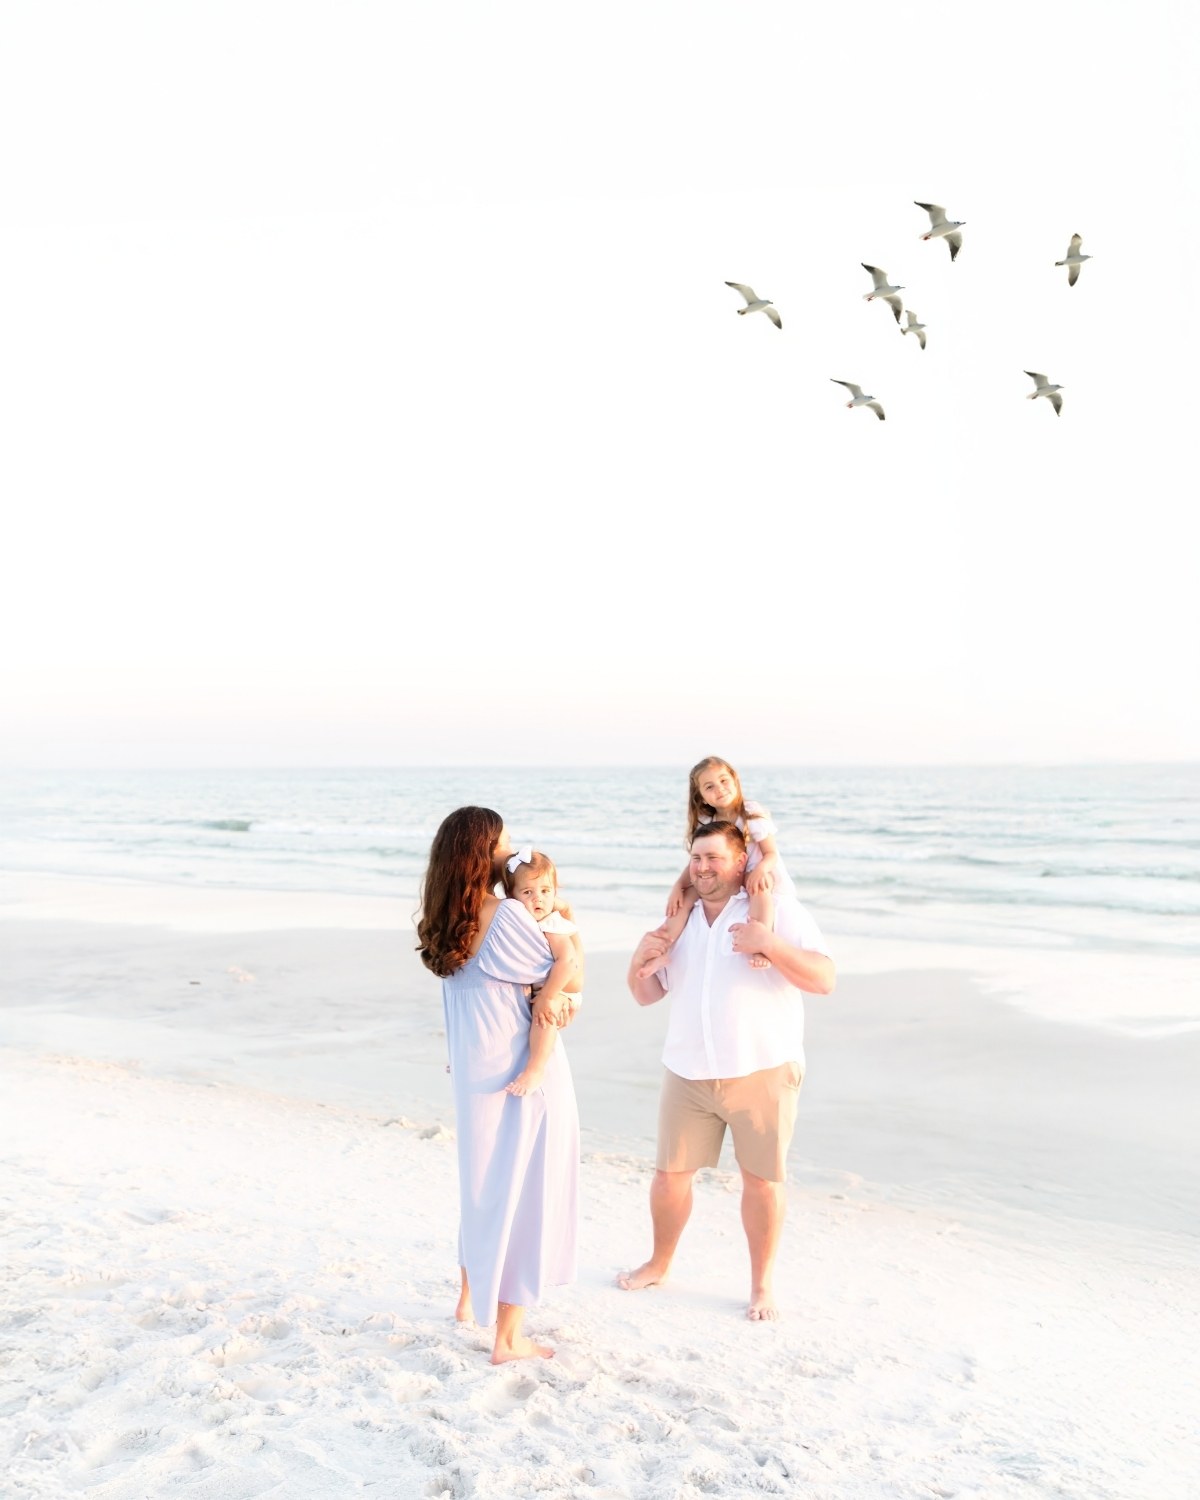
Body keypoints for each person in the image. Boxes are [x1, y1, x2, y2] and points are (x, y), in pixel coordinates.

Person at [620, 820, 835, 1321]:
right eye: (696, 859)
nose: (703, 868)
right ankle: (659, 1263)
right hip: (687, 1070)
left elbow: (825, 979)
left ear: (741, 861)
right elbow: (647, 994)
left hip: (762, 1068)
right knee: (669, 1177)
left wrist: (770, 944)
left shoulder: (779, 909)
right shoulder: (679, 918)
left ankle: (761, 1288)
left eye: (714, 858)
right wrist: (638, 962)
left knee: (762, 1182)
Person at [416, 806, 581, 1363]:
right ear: (479, 853)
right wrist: (566, 917)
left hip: (472, 1066)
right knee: (525, 1189)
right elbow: (565, 972)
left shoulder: (444, 917)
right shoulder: (505, 916)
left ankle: (469, 1299)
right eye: (502, 846)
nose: (510, 855)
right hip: (517, 1067)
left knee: (483, 1185)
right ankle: (508, 1339)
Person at [637, 756, 793, 978]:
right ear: (702, 797)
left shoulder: (749, 812)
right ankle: (663, 945)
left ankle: (760, 945)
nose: (719, 789)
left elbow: (771, 854)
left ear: (734, 780)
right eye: (709, 787)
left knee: (761, 888)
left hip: (754, 871)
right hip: (725, 876)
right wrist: (678, 886)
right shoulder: (709, 821)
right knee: (688, 895)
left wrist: (759, 870)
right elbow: (697, 860)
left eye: (723, 781)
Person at [501, 846, 585, 1097]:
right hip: (547, 986)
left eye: (546, 891)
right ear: (512, 897)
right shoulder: (523, 920)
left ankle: (536, 1068)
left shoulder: (551, 923)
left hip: (561, 990)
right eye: (528, 892)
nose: (538, 899)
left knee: (544, 1018)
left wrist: (549, 996)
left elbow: (568, 962)